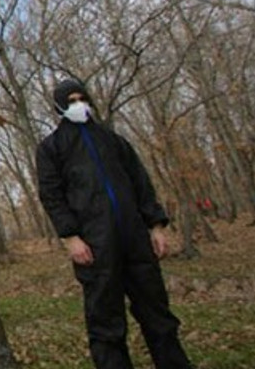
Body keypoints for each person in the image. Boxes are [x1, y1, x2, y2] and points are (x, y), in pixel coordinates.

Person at [36, 78, 193, 369]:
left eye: (81, 98)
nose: (78, 104)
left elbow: (140, 181)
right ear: (59, 106)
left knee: (157, 313)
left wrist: (156, 225)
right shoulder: (51, 148)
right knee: (105, 322)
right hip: (94, 245)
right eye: (70, 101)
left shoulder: (113, 140)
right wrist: (70, 237)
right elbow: (51, 195)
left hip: (135, 239)